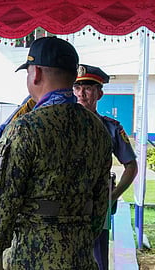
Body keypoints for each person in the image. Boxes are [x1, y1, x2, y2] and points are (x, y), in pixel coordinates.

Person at [0, 37, 113, 269]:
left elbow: (4, 201)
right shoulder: (97, 128)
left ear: (36, 73)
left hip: (32, 256)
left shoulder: (25, 128)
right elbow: (101, 200)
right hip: (80, 256)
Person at [73, 64, 138, 270]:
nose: (82, 94)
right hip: (66, 205)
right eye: (77, 88)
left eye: (88, 88)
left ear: (99, 94)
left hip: (97, 205)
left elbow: (131, 166)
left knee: (98, 259)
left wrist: (113, 196)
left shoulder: (111, 127)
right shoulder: (62, 124)